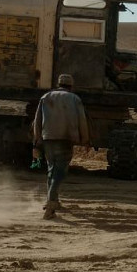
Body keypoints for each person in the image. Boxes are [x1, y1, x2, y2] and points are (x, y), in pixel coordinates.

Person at [32, 73, 89, 219]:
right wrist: (85, 140)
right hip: (66, 138)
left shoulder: (45, 97)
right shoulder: (75, 98)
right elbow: (82, 120)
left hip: (48, 138)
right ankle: (51, 203)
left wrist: (37, 140)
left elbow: (37, 121)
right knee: (60, 172)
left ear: (58, 84)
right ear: (71, 86)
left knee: (51, 169)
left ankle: (53, 200)